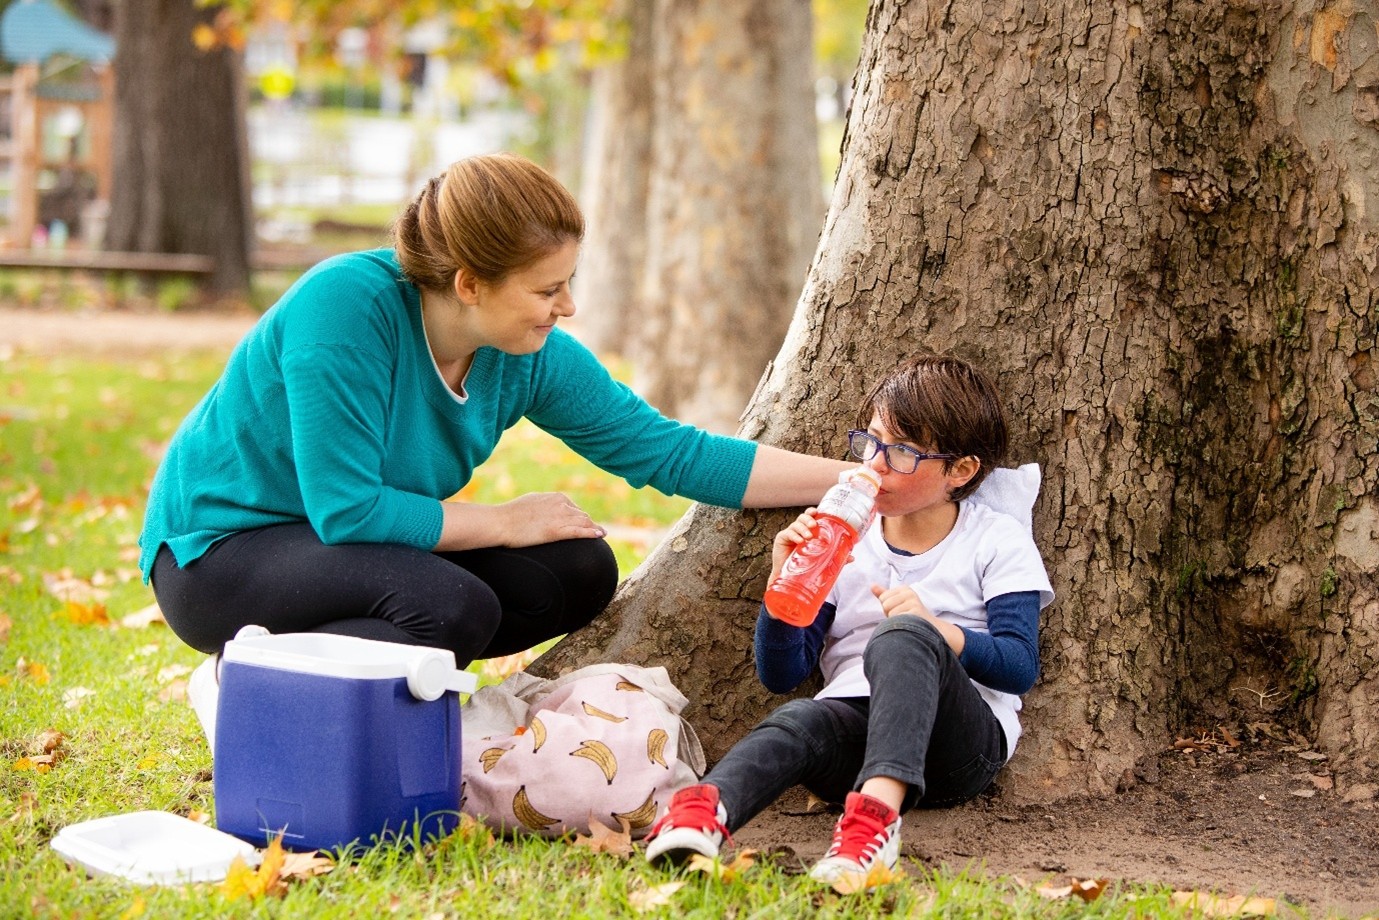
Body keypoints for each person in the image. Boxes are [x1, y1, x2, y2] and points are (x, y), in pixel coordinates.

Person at [138, 153, 850, 744]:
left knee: (575, 570)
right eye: (547, 288)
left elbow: (670, 453)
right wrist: (504, 522)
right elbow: (346, 511)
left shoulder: (528, 352)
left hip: (348, 551)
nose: (566, 306)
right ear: (468, 284)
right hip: (221, 553)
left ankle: (299, 674)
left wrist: (857, 480)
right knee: (451, 607)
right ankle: (271, 702)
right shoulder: (346, 305)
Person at [642, 355, 1054, 885]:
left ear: (961, 470)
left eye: (902, 453)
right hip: (854, 740)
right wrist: (783, 587)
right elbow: (782, 675)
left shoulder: (995, 539)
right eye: (873, 442)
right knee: (801, 720)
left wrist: (941, 632)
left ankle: (872, 829)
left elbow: (1020, 666)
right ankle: (700, 817)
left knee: (904, 635)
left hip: (956, 747)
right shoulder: (844, 539)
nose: (875, 465)